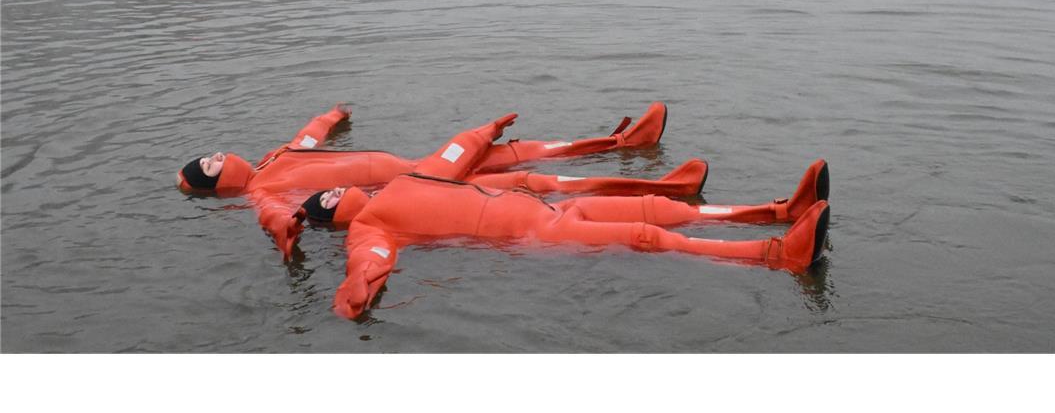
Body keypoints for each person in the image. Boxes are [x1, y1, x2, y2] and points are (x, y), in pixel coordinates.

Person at [297, 161, 831, 320]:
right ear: (332, 220)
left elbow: (452, 159)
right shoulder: (371, 228)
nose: (336, 193)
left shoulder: (399, 184)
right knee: (645, 234)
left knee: (659, 208)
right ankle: (777, 256)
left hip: (543, 209)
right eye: (326, 201)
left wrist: (485, 134)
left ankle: (778, 211)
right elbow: (370, 262)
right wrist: (357, 291)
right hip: (535, 233)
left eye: (331, 190)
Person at [177, 102, 704, 255]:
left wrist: (331, 118)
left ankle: (619, 145)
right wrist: (288, 235)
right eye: (210, 166)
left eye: (209, 154)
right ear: (216, 187)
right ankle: (654, 185)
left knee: (506, 152)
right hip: (418, 183)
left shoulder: (274, 158)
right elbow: (272, 218)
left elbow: (307, 138)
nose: (218, 156)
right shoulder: (263, 194)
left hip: (419, 168)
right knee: (523, 181)